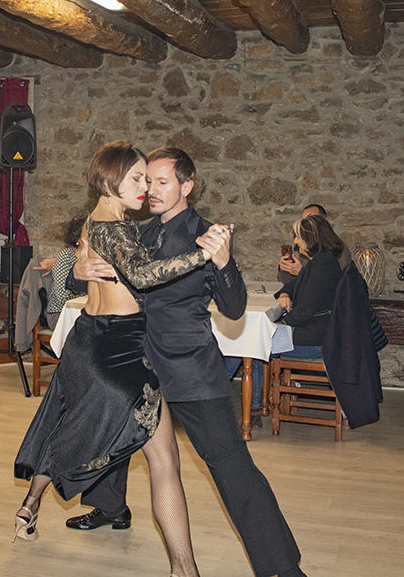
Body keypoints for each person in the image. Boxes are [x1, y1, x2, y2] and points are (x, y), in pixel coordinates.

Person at [70, 147, 306, 577]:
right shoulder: (136, 231)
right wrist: (78, 271)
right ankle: (109, 507)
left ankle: (281, 568)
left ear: (187, 186)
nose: (151, 190)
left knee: (231, 466)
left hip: (189, 367)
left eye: (162, 182)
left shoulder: (206, 235)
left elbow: (234, 308)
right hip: (137, 358)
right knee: (112, 434)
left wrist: (225, 261)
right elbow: (105, 276)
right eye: (146, 181)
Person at [13, 141, 229, 577]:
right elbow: (145, 275)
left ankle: (29, 506)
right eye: (137, 178)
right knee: (165, 461)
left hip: (86, 341)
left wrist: (77, 270)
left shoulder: (93, 221)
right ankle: (185, 570)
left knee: (66, 424)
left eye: (148, 179)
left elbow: (89, 270)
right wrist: (204, 253)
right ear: (112, 181)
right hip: (120, 350)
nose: (145, 188)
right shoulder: (116, 227)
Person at [229, 215, 346, 393]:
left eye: (298, 237)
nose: (295, 242)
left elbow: (305, 311)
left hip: (314, 340)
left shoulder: (322, 265)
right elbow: (292, 286)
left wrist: (279, 324)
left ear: (310, 239)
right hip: (315, 333)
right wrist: (285, 294)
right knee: (253, 338)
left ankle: (230, 394)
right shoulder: (322, 262)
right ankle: (253, 400)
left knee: (251, 341)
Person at [277, 203, 351, 284]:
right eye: (304, 221)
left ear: (325, 221)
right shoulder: (306, 249)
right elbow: (293, 283)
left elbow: (334, 283)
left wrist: (302, 272)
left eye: (311, 219)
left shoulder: (336, 247)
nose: (306, 225)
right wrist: (285, 269)